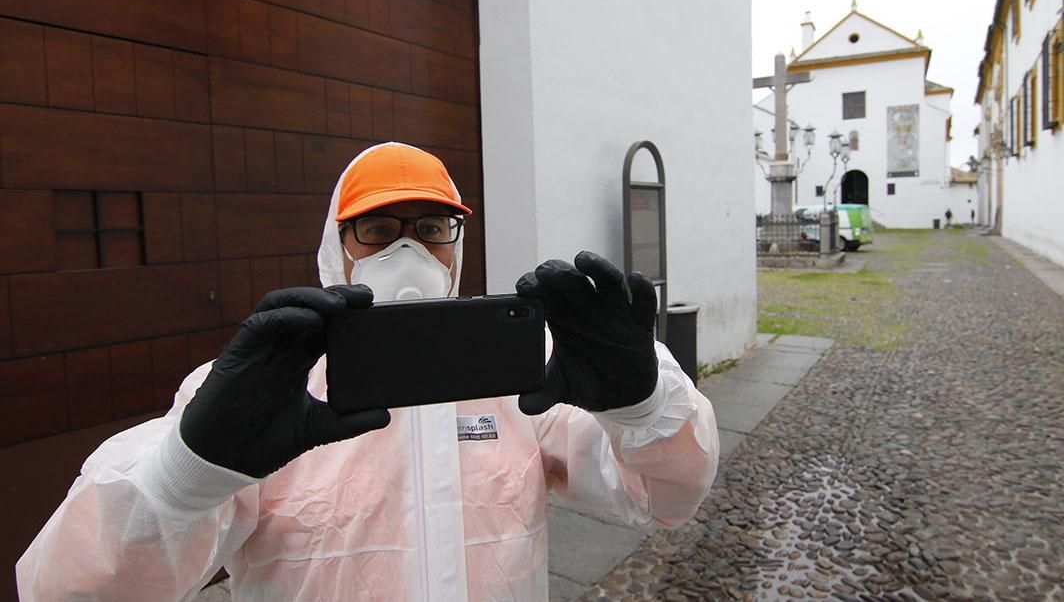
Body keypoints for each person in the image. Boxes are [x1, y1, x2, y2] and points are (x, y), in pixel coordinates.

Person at [17, 142, 719, 601]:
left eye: (432, 227)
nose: (409, 250)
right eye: (379, 230)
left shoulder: (520, 375)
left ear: (457, 244)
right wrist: (183, 474)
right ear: (336, 246)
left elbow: (664, 498)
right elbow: (74, 590)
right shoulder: (265, 389)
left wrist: (642, 402)